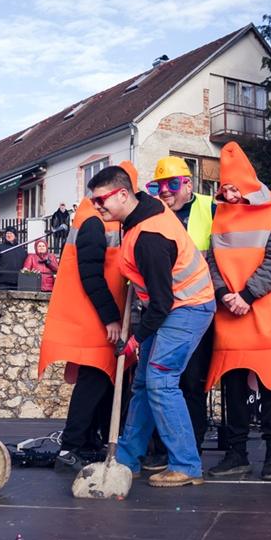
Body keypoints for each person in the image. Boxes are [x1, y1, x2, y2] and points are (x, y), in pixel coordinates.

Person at [89, 165, 216, 487]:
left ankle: (186, 465)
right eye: (93, 201)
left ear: (122, 194)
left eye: (101, 199)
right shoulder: (139, 213)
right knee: (143, 383)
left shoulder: (150, 237)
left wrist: (135, 340)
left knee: (160, 381)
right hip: (171, 308)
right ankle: (127, 461)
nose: (97, 206)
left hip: (187, 308)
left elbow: (162, 303)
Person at [204, 142, 271, 481]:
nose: (231, 194)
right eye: (225, 188)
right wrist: (225, 294)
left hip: (268, 315)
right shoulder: (220, 214)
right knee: (233, 386)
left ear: (250, 184)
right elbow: (211, 259)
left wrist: (246, 296)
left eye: (236, 187)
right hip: (234, 313)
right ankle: (236, 453)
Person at [38, 162, 137, 473]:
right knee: (93, 381)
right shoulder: (95, 221)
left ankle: (89, 442)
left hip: (94, 314)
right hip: (93, 317)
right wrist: (111, 317)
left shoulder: (94, 217)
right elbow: (92, 274)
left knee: (102, 381)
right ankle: (71, 446)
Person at [140, 156, 217, 472]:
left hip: (195, 310)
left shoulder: (210, 208)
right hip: (162, 310)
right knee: (158, 382)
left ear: (188, 183)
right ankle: (160, 450)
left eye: (172, 184)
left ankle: (190, 449)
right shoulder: (155, 215)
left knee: (191, 383)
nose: (166, 192)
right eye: (158, 186)